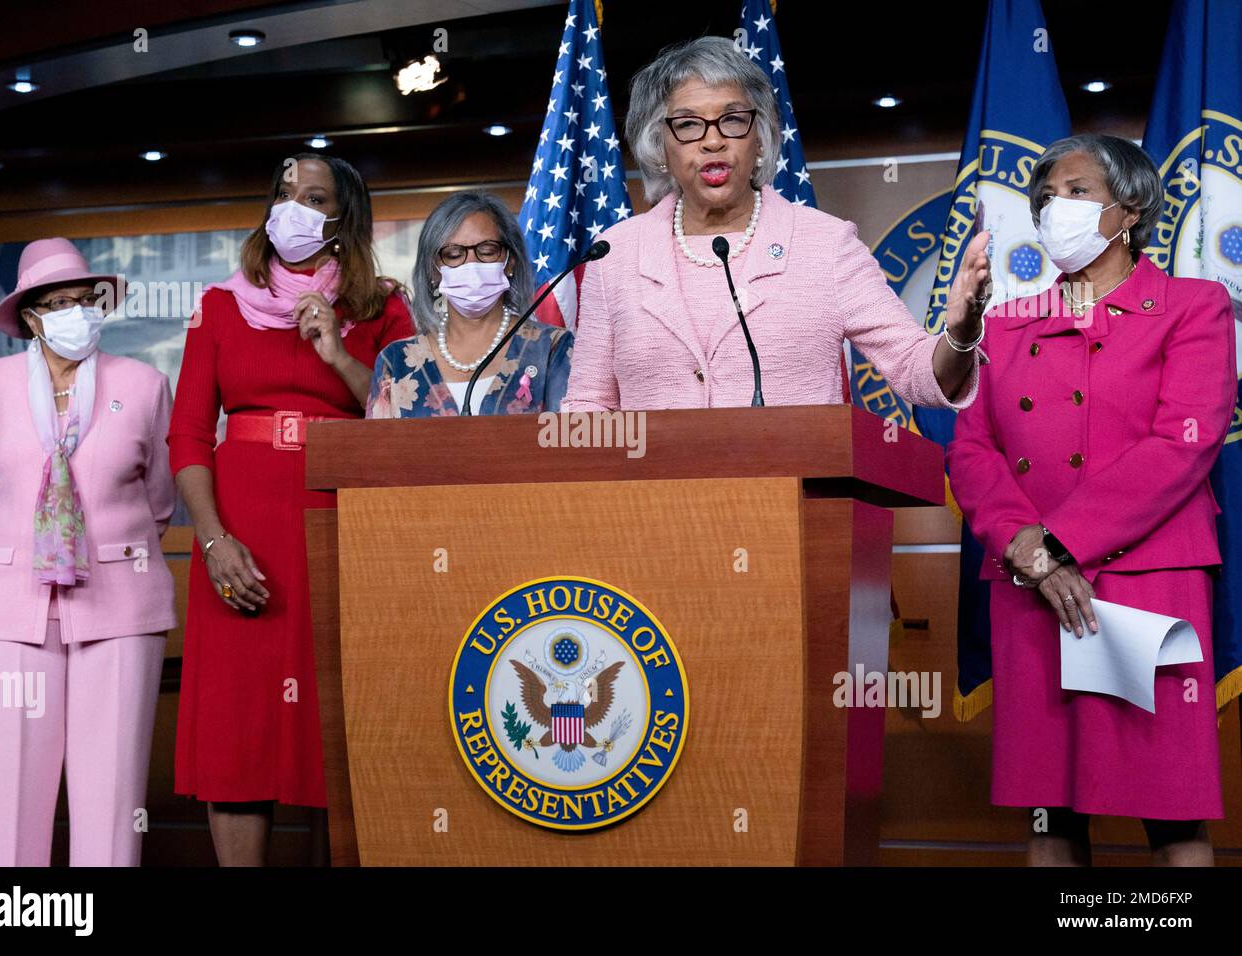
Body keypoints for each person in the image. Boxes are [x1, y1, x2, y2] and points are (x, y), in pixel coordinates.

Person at [947, 134, 1236, 866]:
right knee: (1051, 813)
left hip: (1150, 585)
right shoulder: (1004, 324)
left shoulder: (1194, 307)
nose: (1052, 207)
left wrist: (1058, 544)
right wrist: (1028, 553)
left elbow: (1185, 442)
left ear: (1129, 208)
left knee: (1171, 812)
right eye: (1045, 194)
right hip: (1031, 591)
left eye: (1074, 191)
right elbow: (972, 452)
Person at [168, 152, 412, 865]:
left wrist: (336, 353)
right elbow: (187, 434)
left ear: (344, 218)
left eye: (314, 196)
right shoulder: (218, 304)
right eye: (284, 192)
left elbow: (404, 419)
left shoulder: (381, 305)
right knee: (238, 735)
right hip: (239, 535)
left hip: (339, 526)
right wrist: (213, 543)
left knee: (339, 727)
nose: (293, 207)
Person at [562, 36, 989, 413]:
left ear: (760, 137)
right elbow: (589, 403)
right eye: (689, 124)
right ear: (660, 145)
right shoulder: (614, 254)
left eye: (732, 120)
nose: (713, 140)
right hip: (653, 502)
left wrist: (960, 336)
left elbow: (917, 371)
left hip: (795, 498)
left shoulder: (825, 244)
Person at [0, 237, 176, 865]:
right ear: (30, 316)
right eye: (59, 302)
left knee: (111, 806)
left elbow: (159, 500)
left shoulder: (145, 384)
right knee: (7, 804)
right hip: (5, 608)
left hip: (121, 604)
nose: (76, 312)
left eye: (85, 299)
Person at [367, 191, 571, 418]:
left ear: (510, 261)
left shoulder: (552, 348)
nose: (471, 264)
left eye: (487, 251)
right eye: (454, 254)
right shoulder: (395, 360)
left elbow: (568, 441)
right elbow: (378, 450)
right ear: (434, 269)